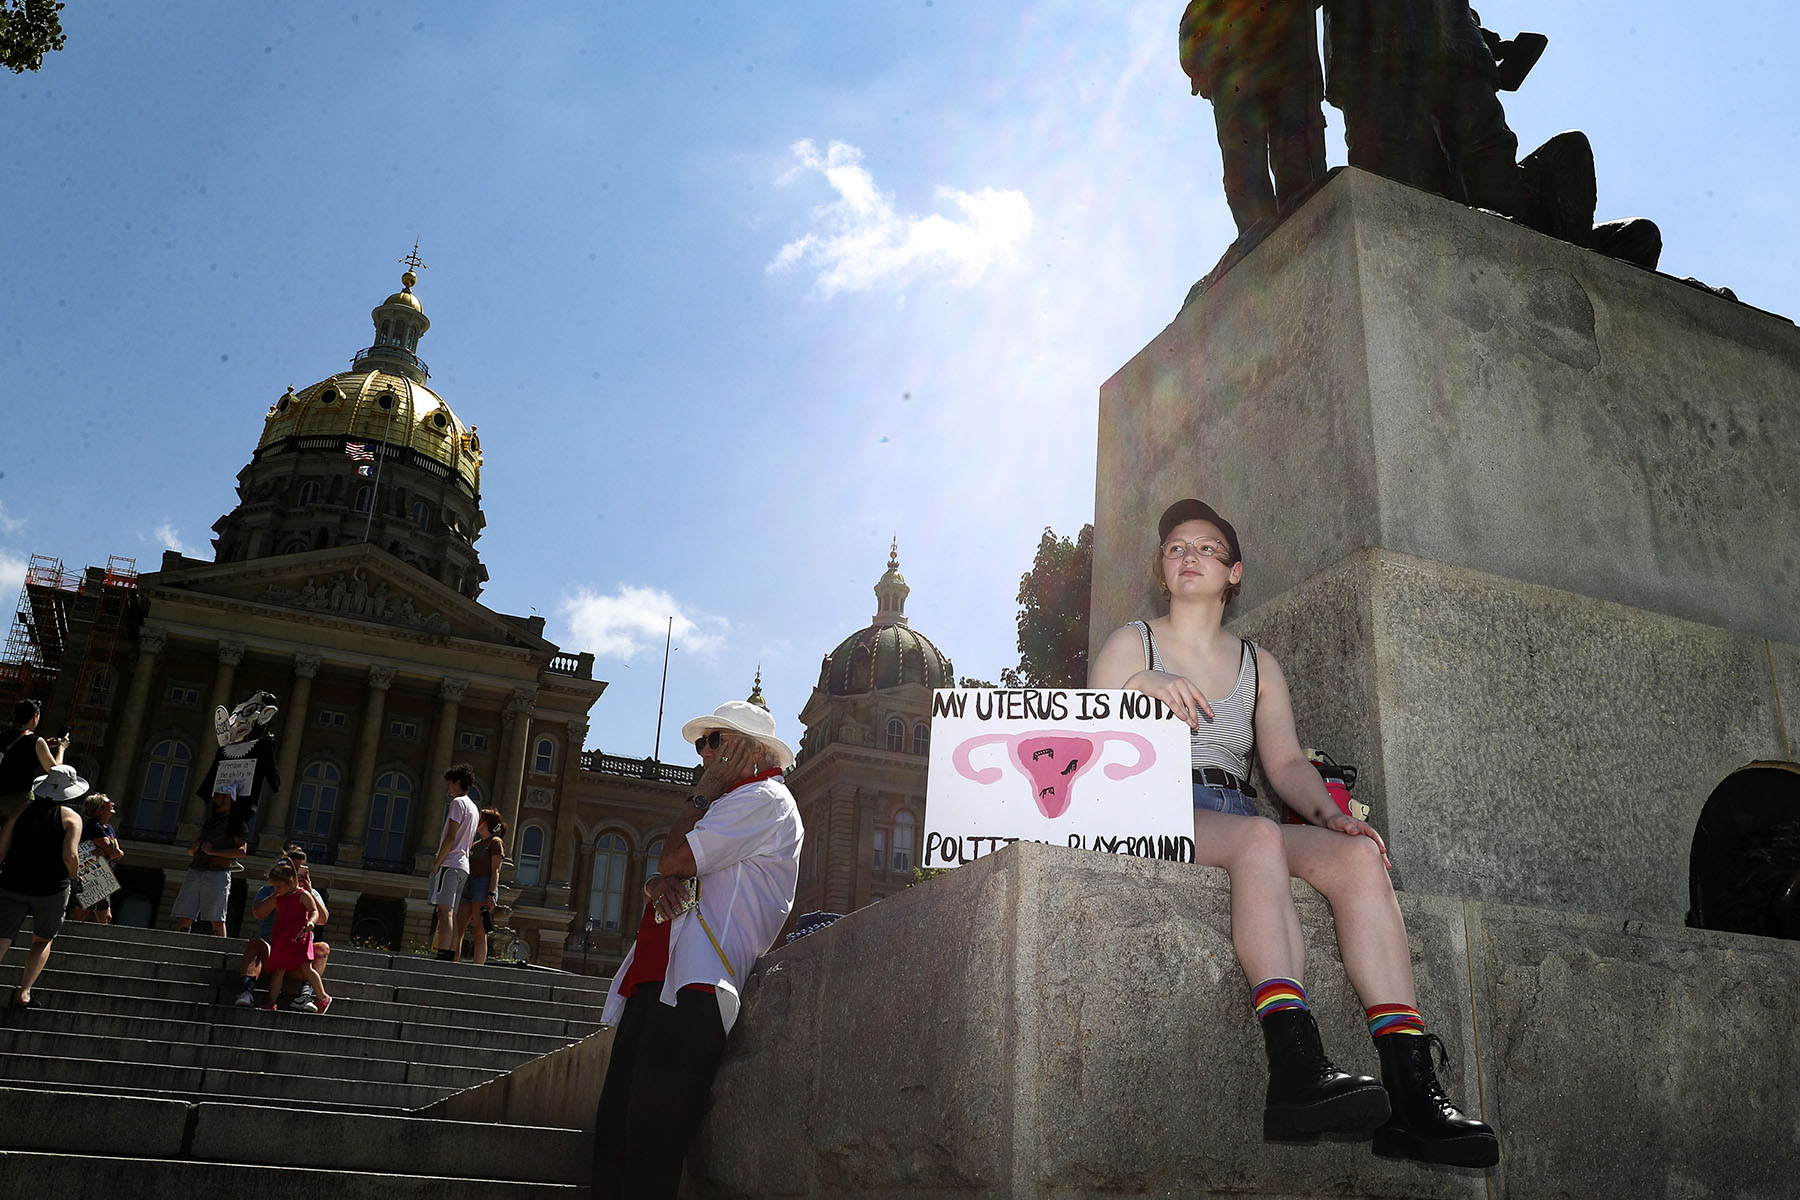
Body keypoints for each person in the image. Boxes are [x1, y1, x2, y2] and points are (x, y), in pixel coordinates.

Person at [1089, 499, 1499, 1168]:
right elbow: (1086, 740)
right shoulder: (1131, 642)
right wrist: (1141, 683)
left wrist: (1331, 815)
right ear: (1163, 572)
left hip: (1236, 810)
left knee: (1359, 859)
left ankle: (1414, 1092)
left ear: (1235, 573)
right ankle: (1295, 1065)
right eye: (1175, 549)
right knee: (1259, 844)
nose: (1189, 555)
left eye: (1206, 548)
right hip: (1151, 804)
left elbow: (1281, 764)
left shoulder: (1259, 664)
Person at [593, 700, 804, 1198]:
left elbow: (674, 856)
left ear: (752, 752)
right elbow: (672, 869)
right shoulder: (737, 802)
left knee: (651, 1146)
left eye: (715, 741)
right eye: (700, 743)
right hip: (661, 978)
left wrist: (700, 797)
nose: (703, 752)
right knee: (616, 1136)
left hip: (696, 987)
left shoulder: (763, 799)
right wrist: (656, 883)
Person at [1179, 0, 1328, 235]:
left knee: (1295, 154)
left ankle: (1305, 226)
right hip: (1231, 49)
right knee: (1243, 164)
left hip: (1282, 36)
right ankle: (1260, 241)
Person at [0, 764, 86, 1009]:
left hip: (12, 882)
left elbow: (1, 848)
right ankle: (24, 993)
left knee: (2, 935)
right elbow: (70, 855)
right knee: (42, 939)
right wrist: (74, 877)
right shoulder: (71, 818)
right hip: (51, 888)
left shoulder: (22, 810)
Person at [233, 846, 332, 1010]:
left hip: (298, 953)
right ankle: (246, 991)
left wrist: (307, 891)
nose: (294, 874)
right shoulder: (269, 890)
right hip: (273, 950)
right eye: (292, 869)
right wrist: (279, 892)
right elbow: (258, 913)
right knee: (256, 944)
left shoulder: (309, 893)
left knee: (322, 948)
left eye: (299, 870)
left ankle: (306, 994)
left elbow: (322, 919)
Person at [173, 785, 248, 935]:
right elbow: (196, 845)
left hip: (218, 872)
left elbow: (242, 851)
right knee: (184, 916)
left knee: (217, 919)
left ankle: (219, 956)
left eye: (218, 795)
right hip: (196, 868)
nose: (213, 798)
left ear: (227, 797)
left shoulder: (236, 822)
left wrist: (214, 852)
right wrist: (192, 849)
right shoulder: (210, 820)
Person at [429, 764, 480, 962]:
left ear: (457, 783)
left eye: (450, 784)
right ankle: (450, 954)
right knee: (453, 911)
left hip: (450, 863)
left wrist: (437, 862)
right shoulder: (474, 808)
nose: (448, 788)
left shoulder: (458, 803)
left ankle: (443, 954)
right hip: (463, 866)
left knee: (444, 911)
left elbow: (451, 836)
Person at [0, 699, 67, 823]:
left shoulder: (3, 736)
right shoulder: (36, 741)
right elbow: (56, 771)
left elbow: (15, 754)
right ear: (35, 717)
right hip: (17, 800)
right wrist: (61, 748)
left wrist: (45, 745)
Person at [452, 809, 505, 966]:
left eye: (479, 818)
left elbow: (496, 870)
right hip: (469, 883)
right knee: (458, 927)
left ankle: (477, 967)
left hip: (483, 885)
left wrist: (491, 893)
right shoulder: (475, 844)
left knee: (479, 930)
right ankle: (452, 962)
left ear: (486, 822)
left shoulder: (496, 842)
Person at [68, 793, 124, 923]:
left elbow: (118, 854)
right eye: (107, 803)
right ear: (99, 809)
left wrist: (111, 852)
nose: (112, 804)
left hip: (102, 874)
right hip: (90, 874)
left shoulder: (108, 828)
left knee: (104, 916)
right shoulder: (94, 827)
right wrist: (112, 852)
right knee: (83, 912)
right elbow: (113, 852)